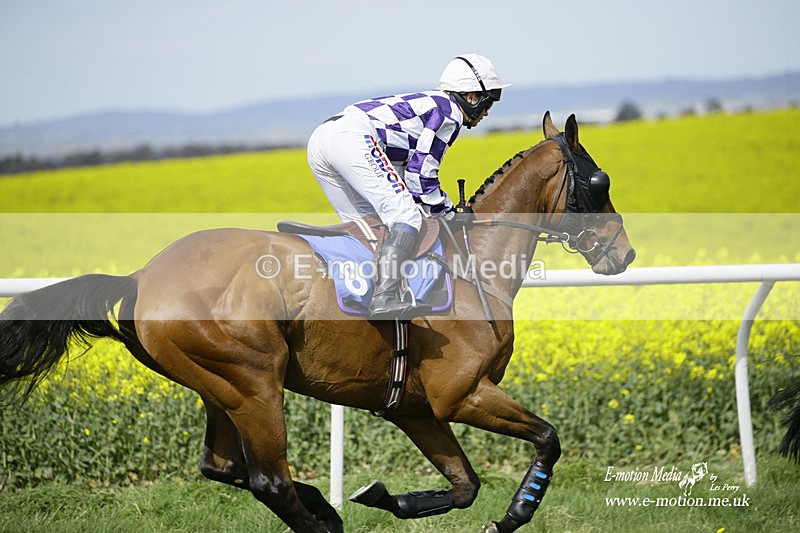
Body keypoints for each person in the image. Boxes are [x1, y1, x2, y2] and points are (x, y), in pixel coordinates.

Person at [307, 53, 509, 320]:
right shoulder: (449, 112)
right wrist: (449, 212)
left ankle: (362, 298)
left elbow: (408, 178)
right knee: (406, 216)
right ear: (471, 97)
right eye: (488, 102)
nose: (486, 113)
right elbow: (421, 176)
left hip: (322, 139)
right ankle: (384, 298)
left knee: (371, 228)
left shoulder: (433, 104)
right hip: (352, 139)